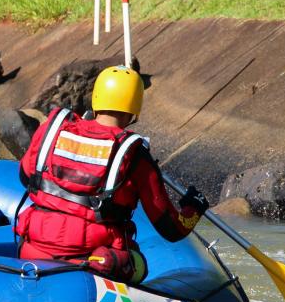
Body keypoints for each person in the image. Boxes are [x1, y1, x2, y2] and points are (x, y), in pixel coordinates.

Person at [15, 65, 210, 284]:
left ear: (96, 98)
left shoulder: (53, 130)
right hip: (90, 264)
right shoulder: (134, 155)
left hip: (33, 254)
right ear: (134, 108)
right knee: (139, 264)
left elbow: (25, 177)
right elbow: (172, 230)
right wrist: (195, 206)